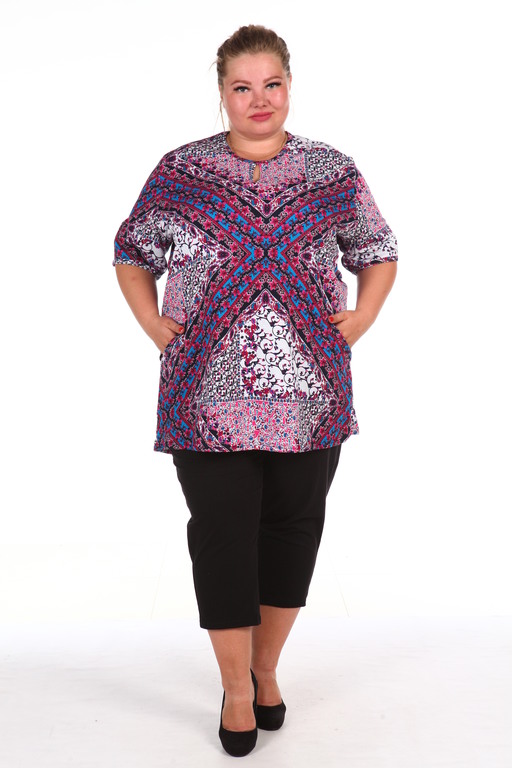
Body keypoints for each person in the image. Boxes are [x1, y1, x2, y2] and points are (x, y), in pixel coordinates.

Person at [113, 24, 397, 758]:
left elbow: (377, 249)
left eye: (271, 84)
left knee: (293, 530)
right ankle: (235, 687)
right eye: (242, 87)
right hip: (203, 394)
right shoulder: (182, 172)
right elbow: (132, 250)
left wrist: (362, 316)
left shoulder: (331, 170)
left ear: (289, 86)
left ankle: (266, 669)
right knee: (221, 535)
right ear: (222, 93)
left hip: (312, 393)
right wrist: (151, 322)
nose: (259, 99)